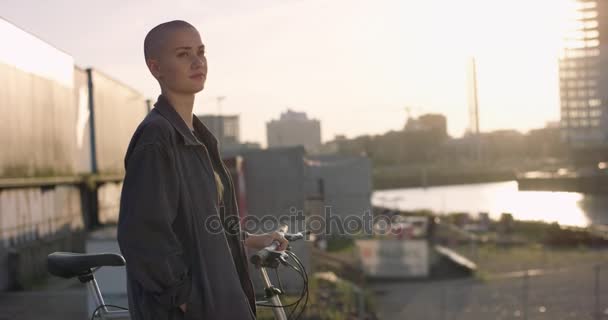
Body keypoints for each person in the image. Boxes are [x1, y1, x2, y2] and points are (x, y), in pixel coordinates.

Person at [117, 20, 288, 320]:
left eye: (201, 51)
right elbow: (142, 236)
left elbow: (200, 227)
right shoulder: (157, 137)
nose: (198, 62)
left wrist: (249, 240)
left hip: (219, 303)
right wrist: (185, 300)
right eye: (183, 54)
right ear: (155, 67)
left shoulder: (198, 136)